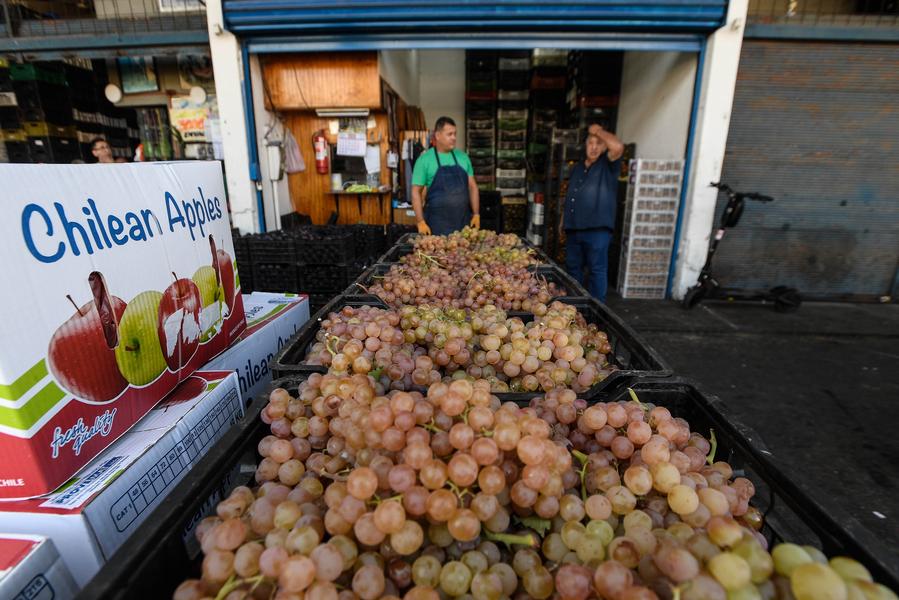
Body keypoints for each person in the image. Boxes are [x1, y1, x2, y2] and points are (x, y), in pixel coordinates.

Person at [561, 122, 624, 303]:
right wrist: (563, 221)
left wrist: (597, 131)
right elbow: (570, 195)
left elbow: (618, 146)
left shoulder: (608, 165)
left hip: (597, 231)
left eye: (599, 144)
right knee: (573, 270)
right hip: (573, 229)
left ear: (604, 147)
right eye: (591, 143)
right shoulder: (578, 168)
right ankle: (575, 306)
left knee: (596, 270)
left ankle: (597, 310)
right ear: (585, 145)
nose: (594, 147)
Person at [411, 117, 480, 236]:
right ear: (437, 135)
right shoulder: (424, 160)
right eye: (450, 134)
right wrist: (420, 221)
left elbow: (473, 187)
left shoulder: (463, 158)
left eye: (455, 134)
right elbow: (415, 192)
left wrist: (476, 214)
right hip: (436, 226)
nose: (454, 137)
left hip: (463, 225)